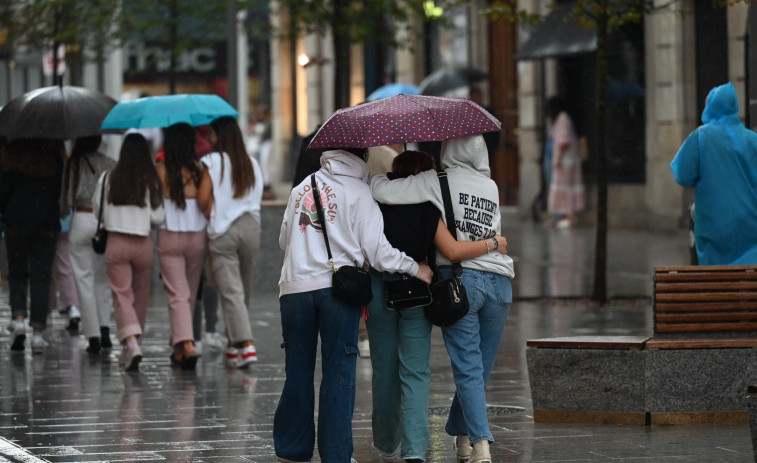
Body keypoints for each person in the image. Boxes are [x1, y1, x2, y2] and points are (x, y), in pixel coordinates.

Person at [273, 146, 433, 463]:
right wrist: (415, 268)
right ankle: (336, 455)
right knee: (338, 372)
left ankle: (292, 450)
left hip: (294, 289)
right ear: (360, 156)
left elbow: (284, 239)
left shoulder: (303, 186)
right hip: (337, 291)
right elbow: (378, 252)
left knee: (298, 371)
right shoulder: (360, 191)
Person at [371, 134, 514, 463]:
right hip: (501, 281)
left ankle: (481, 444)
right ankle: (461, 434)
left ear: (450, 149)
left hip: (462, 281)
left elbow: (382, 190)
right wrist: (494, 244)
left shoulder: (437, 180)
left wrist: (379, 171)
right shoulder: (489, 185)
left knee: (468, 368)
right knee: (480, 369)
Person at [93, 133, 165, 371]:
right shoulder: (151, 180)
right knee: (140, 295)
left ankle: (131, 343)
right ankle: (134, 343)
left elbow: (97, 211)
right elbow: (159, 216)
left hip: (116, 242)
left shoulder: (108, 178)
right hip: (142, 242)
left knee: (121, 295)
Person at [197, 116, 263, 368]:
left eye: (212, 135)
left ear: (219, 136)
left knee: (231, 291)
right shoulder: (253, 164)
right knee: (242, 290)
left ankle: (246, 345)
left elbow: (203, 199)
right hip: (251, 228)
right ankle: (232, 344)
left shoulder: (212, 161)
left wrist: (211, 211)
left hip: (224, 231)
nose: (210, 139)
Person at [671, 81, 757, 265]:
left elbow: (682, 174)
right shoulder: (752, 140)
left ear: (710, 106)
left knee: (716, 285)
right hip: (750, 231)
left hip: (715, 233)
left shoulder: (701, 137)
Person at [0, 138, 64, 354]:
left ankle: (18, 319)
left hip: (16, 221)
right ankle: (37, 333)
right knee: (42, 276)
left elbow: (2, 194)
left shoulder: (10, 159)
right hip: (46, 223)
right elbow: (59, 192)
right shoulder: (51, 157)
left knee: (17, 271)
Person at [155, 123, 208, 370]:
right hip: (197, 236)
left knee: (177, 294)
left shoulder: (160, 171)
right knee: (188, 292)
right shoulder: (199, 170)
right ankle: (179, 347)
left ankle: (187, 344)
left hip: (169, 236)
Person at [61, 135, 116, 353]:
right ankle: (105, 330)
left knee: (83, 279)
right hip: (104, 223)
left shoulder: (73, 163)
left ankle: (92, 335)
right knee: (103, 279)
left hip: (81, 218)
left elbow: (65, 201)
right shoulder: (111, 164)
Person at [545, 96, 585, 228]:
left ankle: (569, 216)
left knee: (565, 189)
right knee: (565, 188)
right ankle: (562, 216)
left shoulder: (562, 119)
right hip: (566, 160)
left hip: (565, 161)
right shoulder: (562, 119)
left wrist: (558, 158)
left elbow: (563, 140)